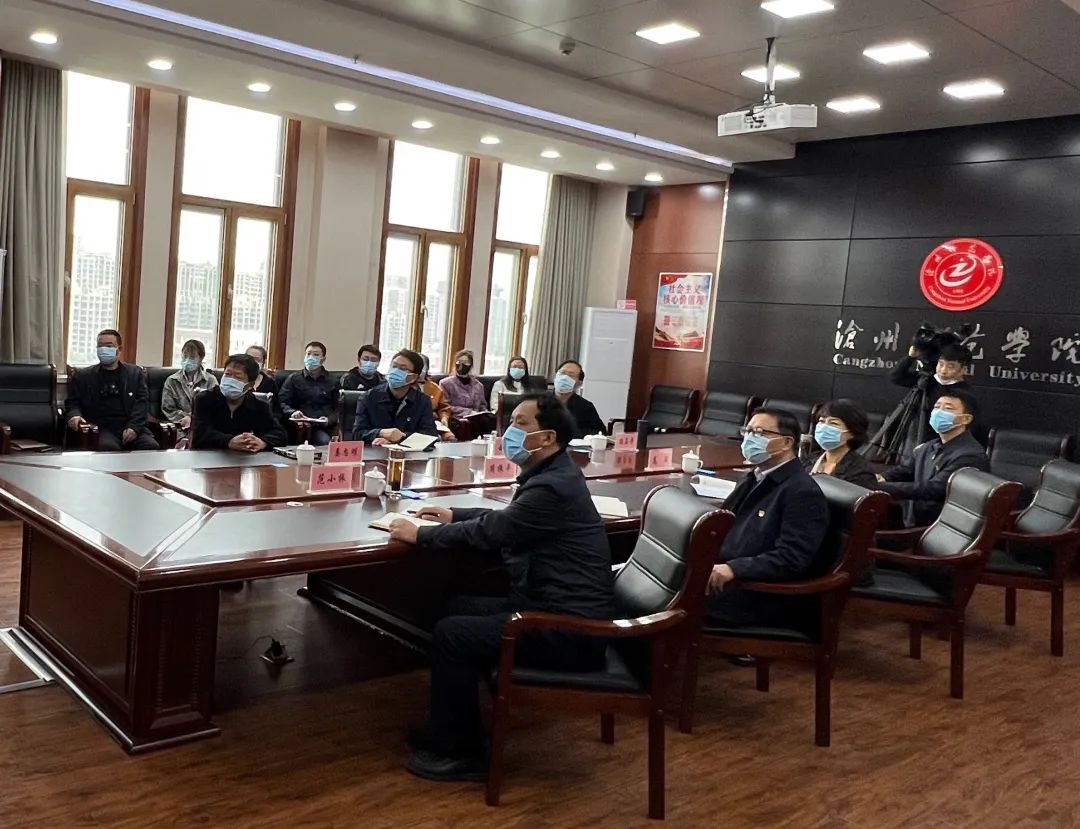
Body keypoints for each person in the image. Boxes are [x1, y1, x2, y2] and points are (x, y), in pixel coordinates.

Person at [388, 394, 614, 780]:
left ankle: (463, 753)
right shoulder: (555, 473)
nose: (510, 431)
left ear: (547, 437)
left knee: (453, 634)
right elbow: (512, 520)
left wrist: (422, 535)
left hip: (567, 627)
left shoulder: (552, 486)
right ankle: (450, 727)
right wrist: (454, 514)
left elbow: (497, 531)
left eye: (521, 423)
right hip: (546, 605)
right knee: (453, 608)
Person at [705, 407, 830, 631]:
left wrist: (734, 568)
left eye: (759, 433)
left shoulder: (802, 492)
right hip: (723, 577)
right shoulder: (755, 476)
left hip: (757, 595)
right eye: (748, 431)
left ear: (786, 443)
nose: (750, 438)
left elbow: (792, 558)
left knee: (662, 607)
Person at [876, 389, 989, 527]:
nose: (939, 412)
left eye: (948, 409)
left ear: (966, 419)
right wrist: (882, 477)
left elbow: (935, 489)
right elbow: (905, 470)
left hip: (943, 526)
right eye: (936, 407)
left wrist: (882, 487)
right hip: (917, 520)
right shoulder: (928, 446)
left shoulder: (970, 455)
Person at [65, 329, 161, 452]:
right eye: (100, 346)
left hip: (130, 425)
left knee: (151, 447)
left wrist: (134, 428)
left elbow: (141, 403)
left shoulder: (135, 374)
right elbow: (73, 402)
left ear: (119, 349)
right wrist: (75, 415)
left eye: (109, 346)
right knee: (109, 449)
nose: (104, 349)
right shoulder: (83, 376)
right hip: (101, 428)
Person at [191, 354, 287, 452]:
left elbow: (280, 434)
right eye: (227, 374)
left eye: (238, 376)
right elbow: (199, 435)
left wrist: (262, 442)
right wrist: (229, 441)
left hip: (245, 458)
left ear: (250, 385)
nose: (230, 380)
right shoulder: (204, 399)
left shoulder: (258, 405)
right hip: (209, 456)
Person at [352, 348, 439, 445]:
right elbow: (357, 434)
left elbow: (430, 435)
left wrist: (402, 437)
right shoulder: (369, 397)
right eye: (394, 366)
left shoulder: (422, 401)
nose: (395, 371)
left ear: (413, 377)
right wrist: (380, 433)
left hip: (408, 452)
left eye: (403, 369)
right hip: (375, 451)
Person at [803, 399, 878, 489]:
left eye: (833, 423)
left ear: (852, 432)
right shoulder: (809, 461)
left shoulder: (861, 473)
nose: (824, 427)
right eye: (822, 421)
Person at [279, 341, 339, 445]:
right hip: (297, 426)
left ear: (323, 359)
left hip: (321, 427)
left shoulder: (333, 381)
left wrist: (328, 420)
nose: (311, 357)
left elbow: (339, 408)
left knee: (324, 441)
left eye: (316, 355)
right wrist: (292, 412)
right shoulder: (293, 379)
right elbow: (281, 402)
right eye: (308, 354)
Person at [161, 339, 218, 442]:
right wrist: (184, 418)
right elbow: (168, 408)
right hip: (180, 427)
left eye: (192, 357)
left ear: (201, 358)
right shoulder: (172, 380)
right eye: (185, 356)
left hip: (204, 426)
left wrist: (194, 420)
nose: (187, 360)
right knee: (183, 443)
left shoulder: (210, 380)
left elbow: (216, 407)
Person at [889, 341, 972, 410]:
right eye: (941, 364)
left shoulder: (966, 394)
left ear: (963, 369)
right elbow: (896, 377)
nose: (943, 370)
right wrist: (910, 357)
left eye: (950, 367)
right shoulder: (927, 380)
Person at [552, 360, 606, 439]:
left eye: (571, 375)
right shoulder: (538, 401)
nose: (564, 378)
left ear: (579, 383)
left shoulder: (586, 406)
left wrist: (574, 433)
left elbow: (600, 432)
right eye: (562, 373)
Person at [439, 349, 488, 422]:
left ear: (471, 365)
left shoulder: (478, 385)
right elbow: (445, 406)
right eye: (459, 362)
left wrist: (485, 412)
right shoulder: (445, 383)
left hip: (477, 418)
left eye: (465, 362)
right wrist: (468, 412)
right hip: (457, 419)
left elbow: (482, 405)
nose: (462, 365)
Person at [420, 353, 454, 439]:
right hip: (416, 423)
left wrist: (444, 418)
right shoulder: (406, 386)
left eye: (423, 366)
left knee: (450, 437)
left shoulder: (434, 388)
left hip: (435, 422)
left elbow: (444, 408)